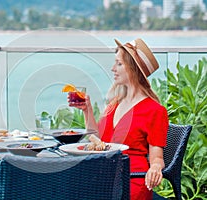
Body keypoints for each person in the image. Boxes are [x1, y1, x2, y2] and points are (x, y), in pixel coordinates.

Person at [70, 38, 169, 200]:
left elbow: (157, 157)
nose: (112, 68)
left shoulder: (155, 111)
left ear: (133, 69)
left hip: (132, 179)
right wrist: (87, 110)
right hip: (104, 175)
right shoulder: (115, 104)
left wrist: (156, 168)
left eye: (119, 64)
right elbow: (99, 140)